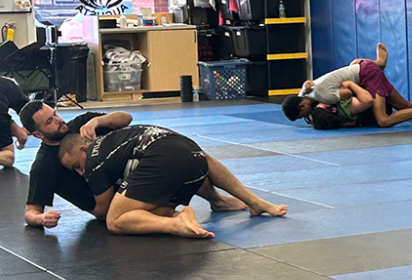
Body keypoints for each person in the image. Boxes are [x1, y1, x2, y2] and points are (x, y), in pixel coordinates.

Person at [19, 102, 246, 229]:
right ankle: (176, 219)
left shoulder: (81, 125)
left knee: (183, 155)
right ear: (38, 134)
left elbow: (125, 118)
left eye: (55, 114)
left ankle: (217, 200)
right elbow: (31, 211)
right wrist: (41, 219)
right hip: (106, 206)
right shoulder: (43, 166)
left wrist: (99, 121)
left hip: (133, 178)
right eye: (50, 121)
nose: (59, 121)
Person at [58, 125, 287, 238]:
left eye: (76, 166)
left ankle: (177, 222)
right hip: (190, 152)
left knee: (115, 220)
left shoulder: (94, 161)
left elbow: (103, 209)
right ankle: (249, 202)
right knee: (196, 159)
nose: (80, 172)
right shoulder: (112, 138)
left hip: (162, 159)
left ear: (82, 149)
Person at [281, 43, 412, 127]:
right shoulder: (307, 93)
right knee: (404, 105)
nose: (308, 116)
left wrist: (340, 112)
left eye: (304, 115)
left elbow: (349, 93)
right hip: (364, 70)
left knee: (383, 120)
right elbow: (303, 90)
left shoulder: (323, 96)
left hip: (367, 76)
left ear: (302, 106)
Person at [1, 76, 30, 168]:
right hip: (1, 115)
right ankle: (21, 134)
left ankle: (21, 134)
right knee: (9, 156)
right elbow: (29, 116)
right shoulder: (8, 84)